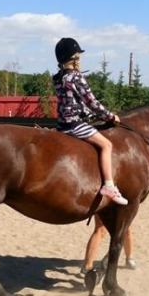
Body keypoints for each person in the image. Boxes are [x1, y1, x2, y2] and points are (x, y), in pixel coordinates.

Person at [53, 37, 128, 206]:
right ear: (74, 58)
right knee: (107, 145)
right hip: (75, 125)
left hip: (61, 124)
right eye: (78, 56)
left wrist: (88, 114)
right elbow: (92, 102)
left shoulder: (59, 78)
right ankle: (109, 186)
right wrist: (110, 117)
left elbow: (71, 102)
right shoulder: (76, 77)